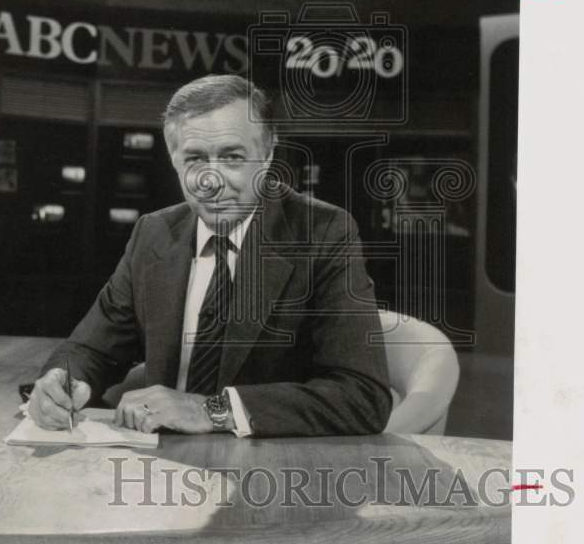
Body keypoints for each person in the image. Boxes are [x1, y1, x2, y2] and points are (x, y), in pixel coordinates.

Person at [29, 75, 391, 438]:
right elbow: (90, 348)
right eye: (195, 159)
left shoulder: (323, 232)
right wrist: (61, 381)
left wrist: (211, 410)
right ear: (174, 161)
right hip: (159, 463)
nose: (211, 182)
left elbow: (362, 396)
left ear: (266, 156)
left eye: (232, 157)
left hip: (267, 470)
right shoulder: (153, 234)